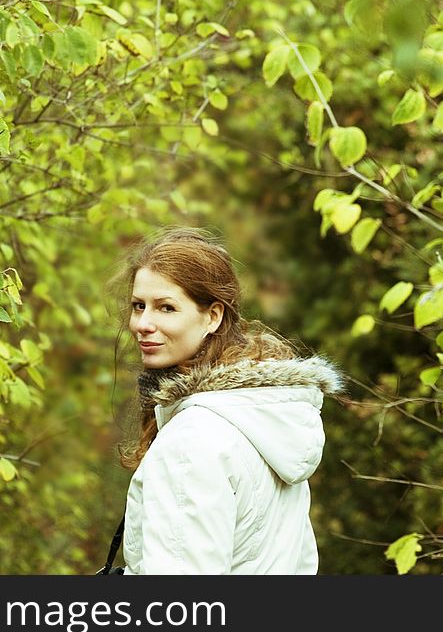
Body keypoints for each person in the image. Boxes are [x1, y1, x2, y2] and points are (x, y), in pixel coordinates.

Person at [111, 226, 345, 574]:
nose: (143, 323)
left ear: (213, 316)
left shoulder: (193, 441)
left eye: (166, 308)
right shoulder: (264, 416)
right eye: (138, 306)